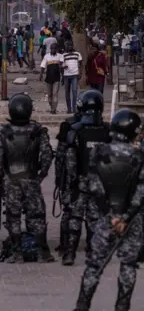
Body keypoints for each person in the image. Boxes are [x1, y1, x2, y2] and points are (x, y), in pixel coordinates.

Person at [73, 109, 144, 311]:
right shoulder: (139, 157)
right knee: (128, 265)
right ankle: (122, 306)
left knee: (94, 265)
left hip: (104, 217)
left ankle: (82, 304)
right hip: (130, 221)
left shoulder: (99, 152)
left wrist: (111, 215)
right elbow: (141, 192)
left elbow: (93, 186)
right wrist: (126, 217)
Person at [0, 93, 55, 263]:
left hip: (11, 180)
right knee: (37, 216)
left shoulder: (4, 133)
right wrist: (41, 174)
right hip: (31, 178)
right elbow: (47, 155)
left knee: (13, 217)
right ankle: (43, 252)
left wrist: (3, 177)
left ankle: (17, 253)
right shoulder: (37, 131)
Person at [61, 90, 111, 266]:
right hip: (100, 184)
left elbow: (70, 160)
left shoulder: (76, 132)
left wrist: (70, 181)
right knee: (94, 220)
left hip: (80, 183)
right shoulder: (108, 132)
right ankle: (93, 253)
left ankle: (69, 254)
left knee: (75, 219)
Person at [53, 100, 82, 257]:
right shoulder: (101, 129)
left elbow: (60, 157)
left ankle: (65, 246)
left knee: (69, 212)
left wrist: (59, 179)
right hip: (93, 181)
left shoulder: (68, 125)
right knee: (93, 215)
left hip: (71, 180)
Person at [40, 44, 63, 114]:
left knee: (55, 94)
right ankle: (52, 106)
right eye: (52, 49)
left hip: (57, 78)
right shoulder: (46, 56)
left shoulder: (60, 56)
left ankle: (53, 109)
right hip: (48, 78)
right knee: (49, 95)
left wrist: (63, 75)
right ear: (50, 49)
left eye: (54, 49)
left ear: (56, 49)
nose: (53, 50)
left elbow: (62, 67)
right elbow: (43, 66)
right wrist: (41, 74)